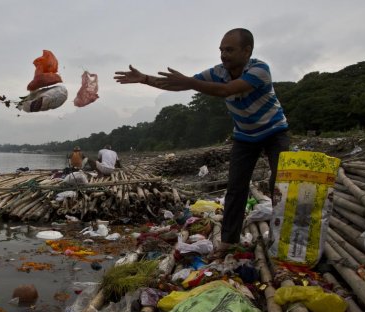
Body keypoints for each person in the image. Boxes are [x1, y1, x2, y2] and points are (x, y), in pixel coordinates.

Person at [114, 28, 289, 255]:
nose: (223, 55)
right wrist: (145, 79)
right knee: (236, 187)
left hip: (275, 131)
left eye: (229, 50)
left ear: (247, 51)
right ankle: (228, 240)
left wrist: (188, 81)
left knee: (282, 185)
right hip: (245, 136)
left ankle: (284, 235)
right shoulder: (219, 72)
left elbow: (225, 90)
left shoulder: (259, 70)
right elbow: (179, 84)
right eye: (221, 50)